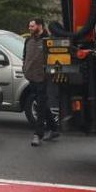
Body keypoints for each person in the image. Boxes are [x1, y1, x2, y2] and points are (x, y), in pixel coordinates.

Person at [23, 18, 59, 147]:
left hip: (43, 78)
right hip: (31, 77)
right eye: (29, 26)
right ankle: (54, 129)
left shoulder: (48, 41)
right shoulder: (28, 40)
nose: (30, 28)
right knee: (40, 103)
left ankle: (38, 134)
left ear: (40, 26)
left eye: (32, 26)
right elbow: (25, 56)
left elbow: (55, 59)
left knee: (41, 105)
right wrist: (24, 69)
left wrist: (48, 74)